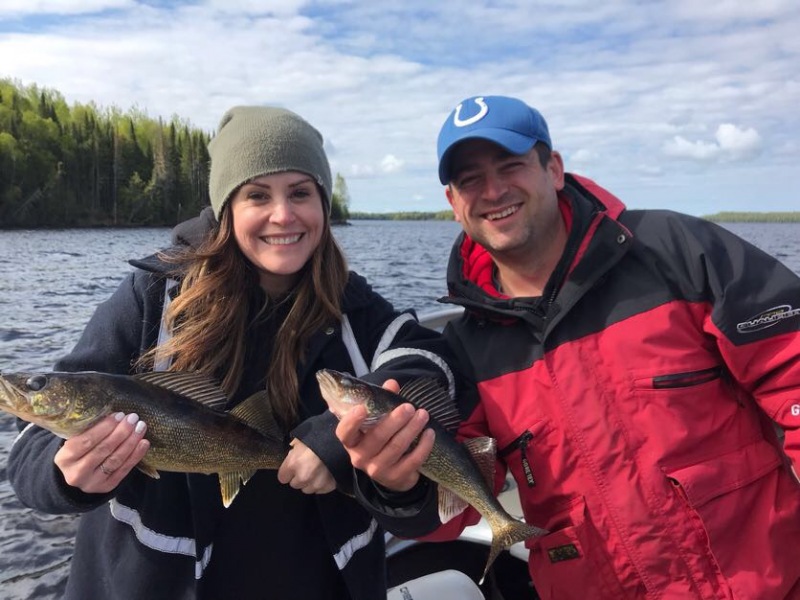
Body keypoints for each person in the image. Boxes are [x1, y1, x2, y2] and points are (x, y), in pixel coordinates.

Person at [334, 95, 800, 599]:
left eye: (510, 166)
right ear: (453, 203)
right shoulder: (464, 348)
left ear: (553, 169)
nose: (492, 191)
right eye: (470, 180)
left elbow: (789, 367)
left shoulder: (675, 251)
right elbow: (453, 505)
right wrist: (398, 485)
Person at [8, 105, 460, 600]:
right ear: (227, 208)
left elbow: (433, 365)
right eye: (257, 195)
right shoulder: (152, 297)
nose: (283, 215)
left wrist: (338, 436)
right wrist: (67, 474)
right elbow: (30, 453)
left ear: (323, 205)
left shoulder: (357, 310)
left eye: (301, 193)